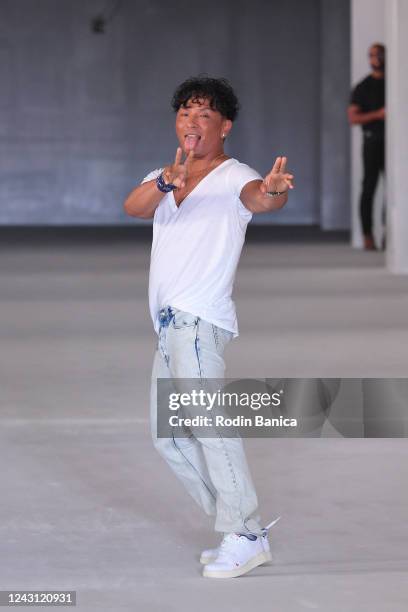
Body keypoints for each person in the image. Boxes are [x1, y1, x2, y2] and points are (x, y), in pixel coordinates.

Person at [123, 76, 294, 578]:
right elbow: (132, 207)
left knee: (210, 428)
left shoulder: (233, 174)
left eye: (203, 115)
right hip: (171, 325)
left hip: (198, 323)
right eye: (184, 113)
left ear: (225, 126)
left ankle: (243, 532)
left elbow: (261, 198)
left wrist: (273, 191)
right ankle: (242, 527)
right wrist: (163, 183)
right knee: (169, 437)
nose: (191, 123)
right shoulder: (166, 174)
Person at [348, 43, 386, 250]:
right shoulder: (363, 87)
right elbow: (353, 117)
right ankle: (367, 234)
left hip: (393, 145)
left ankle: (389, 232)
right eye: (372, 55)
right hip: (372, 141)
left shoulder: (394, 84)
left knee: (394, 189)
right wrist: (378, 115)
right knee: (369, 187)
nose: (376, 58)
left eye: (379, 55)